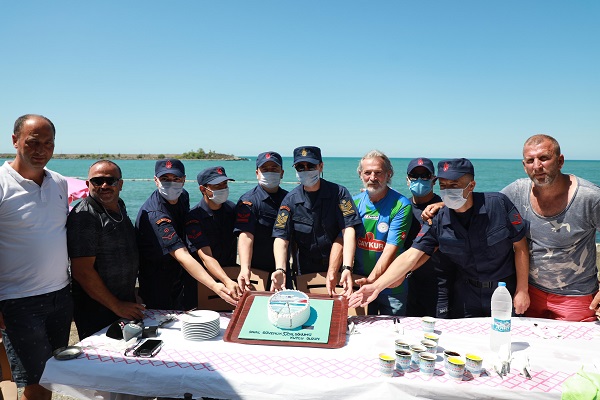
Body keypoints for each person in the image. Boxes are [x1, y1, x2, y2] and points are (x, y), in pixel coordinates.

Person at [349, 158, 531, 318]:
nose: (448, 190)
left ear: (472, 186)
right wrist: (376, 287)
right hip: (467, 294)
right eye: (443, 185)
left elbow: (521, 246)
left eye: (454, 185)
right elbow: (411, 255)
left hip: (503, 290)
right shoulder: (438, 218)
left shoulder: (498, 204)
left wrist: (522, 290)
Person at [0, 114, 73, 400]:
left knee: (53, 378)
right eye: (32, 142)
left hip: (60, 296)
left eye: (48, 143)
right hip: (18, 301)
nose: (41, 149)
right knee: (36, 384)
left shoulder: (59, 183)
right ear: (15, 140)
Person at [501, 134, 600, 322]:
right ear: (524, 166)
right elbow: (485, 207)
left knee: (572, 350)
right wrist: (443, 206)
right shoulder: (517, 191)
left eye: (544, 158)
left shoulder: (590, 197)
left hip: (577, 296)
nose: (537, 166)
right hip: (530, 292)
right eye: (530, 161)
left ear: (560, 161)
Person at [136, 159, 236, 311]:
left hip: (178, 274)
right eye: (165, 179)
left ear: (184, 180)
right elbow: (183, 255)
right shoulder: (156, 215)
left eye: (176, 179)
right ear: (156, 180)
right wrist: (215, 285)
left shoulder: (182, 196)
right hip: (157, 277)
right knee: (163, 322)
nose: (171, 184)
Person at [67, 160, 145, 339]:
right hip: (97, 310)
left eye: (111, 181)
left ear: (121, 184)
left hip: (123, 303)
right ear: (88, 185)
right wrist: (117, 305)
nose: (104, 186)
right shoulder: (85, 217)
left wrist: (131, 297)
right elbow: (82, 271)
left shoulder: (120, 206)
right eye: (97, 181)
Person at [272, 146, 362, 293]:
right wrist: (280, 269)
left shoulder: (339, 193)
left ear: (321, 166)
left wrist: (347, 267)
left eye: (311, 165)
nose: (306, 170)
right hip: (306, 271)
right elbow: (281, 237)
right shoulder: (290, 200)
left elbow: (349, 229)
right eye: (301, 167)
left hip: (338, 266)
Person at [344, 150, 412, 315]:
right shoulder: (355, 202)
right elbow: (345, 238)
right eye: (367, 173)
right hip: (360, 282)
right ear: (361, 174)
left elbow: (391, 249)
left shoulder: (401, 205)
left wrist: (373, 280)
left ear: (389, 174)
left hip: (391, 286)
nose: (372, 177)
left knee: (393, 332)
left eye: (378, 173)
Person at [403, 157, 454, 318]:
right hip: (410, 284)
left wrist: (445, 204)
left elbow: (468, 203)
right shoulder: (402, 207)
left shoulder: (445, 207)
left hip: (440, 284)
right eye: (414, 176)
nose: (419, 180)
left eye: (425, 176)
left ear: (434, 180)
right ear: (407, 180)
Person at [184, 166, 242, 307]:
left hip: (231, 277)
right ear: (203, 189)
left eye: (225, 184)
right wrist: (225, 280)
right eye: (217, 186)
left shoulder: (232, 209)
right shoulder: (194, 218)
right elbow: (206, 256)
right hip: (204, 282)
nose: (223, 188)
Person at [234, 152, 289, 291]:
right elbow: (245, 236)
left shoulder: (289, 199)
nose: (270, 172)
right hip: (257, 271)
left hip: (282, 269)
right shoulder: (249, 201)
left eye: (274, 169)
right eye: (265, 169)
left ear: (282, 173)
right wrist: (244, 268)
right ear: (257, 173)